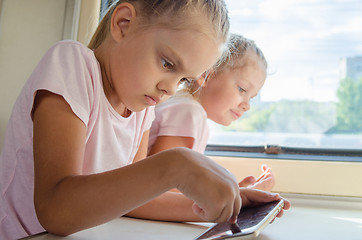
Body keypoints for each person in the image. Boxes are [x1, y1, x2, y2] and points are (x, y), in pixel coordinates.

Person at [0, 1, 289, 239]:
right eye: (167, 64)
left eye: (184, 79)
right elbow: (55, 210)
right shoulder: (72, 64)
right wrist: (176, 165)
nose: (170, 89)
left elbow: (137, 200)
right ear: (123, 24)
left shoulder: (141, 108)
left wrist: (227, 202)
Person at [148, 34, 275, 191]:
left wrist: (233, 193)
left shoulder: (182, 106)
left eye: (252, 98)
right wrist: (235, 198)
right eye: (242, 89)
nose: (246, 105)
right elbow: (163, 186)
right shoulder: (189, 112)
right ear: (205, 75)